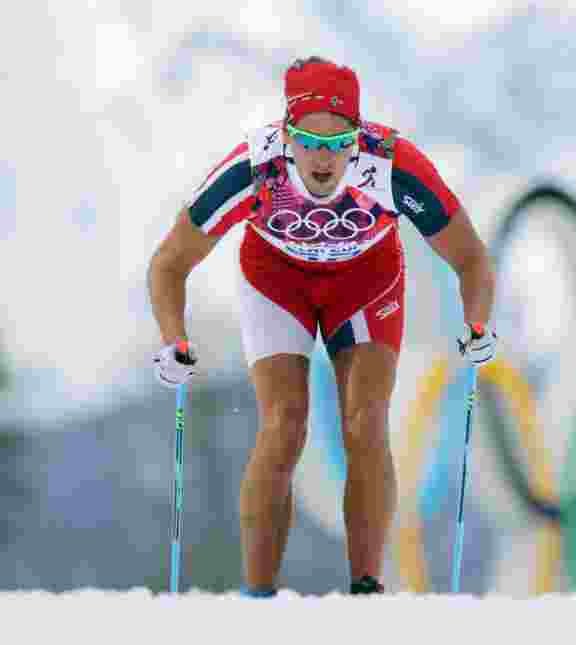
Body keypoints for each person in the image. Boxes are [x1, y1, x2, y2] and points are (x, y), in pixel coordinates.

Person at [147, 56, 497, 597]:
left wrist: (477, 325)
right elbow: (170, 262)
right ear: (286, 135)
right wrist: (173, 338)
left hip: (366, 284)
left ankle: (366, 586)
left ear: (360, 139)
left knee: (365, 420)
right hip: (276, 283)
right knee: (284, 423)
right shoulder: (253, 169)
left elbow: (470, 256)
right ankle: (257, 595)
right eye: (310, 140)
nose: (324, 158)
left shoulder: (394, 166)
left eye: (340, 142)